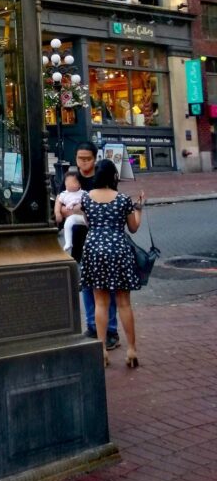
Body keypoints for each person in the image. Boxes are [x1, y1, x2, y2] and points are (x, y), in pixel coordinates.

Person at [80, 159, 145, 368]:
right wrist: (139, 209)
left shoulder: (86, 198)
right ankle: (132, 349)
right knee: (124, 302)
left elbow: (88, 223)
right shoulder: (123, 199)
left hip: (94, 249)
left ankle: (102, 351)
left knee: (100, 301)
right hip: (118, 248)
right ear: (113, 176)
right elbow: (133, 227)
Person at [73, 142, 119, 350]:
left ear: (95, 158)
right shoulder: (71, 179)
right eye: (80, 158)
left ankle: (110, 330)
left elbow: (110, 205)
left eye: (87, 158)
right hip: (80, 240)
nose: (83, 162)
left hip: (102, 241)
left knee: (107, 288)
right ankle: (92, 325)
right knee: (87, 286)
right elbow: (62, 205)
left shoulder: (102, 177)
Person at [54, 170, 85, 254]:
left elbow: (86, 203)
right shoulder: (64, 194)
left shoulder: (83, 193)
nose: (69, 185)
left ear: (79, 184)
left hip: (85, 216)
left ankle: (87, 243)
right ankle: (68, 242)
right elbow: (58, 203)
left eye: (72, 182)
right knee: (68, 223)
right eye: (66, 183)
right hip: (74, 217)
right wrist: (57, 213)